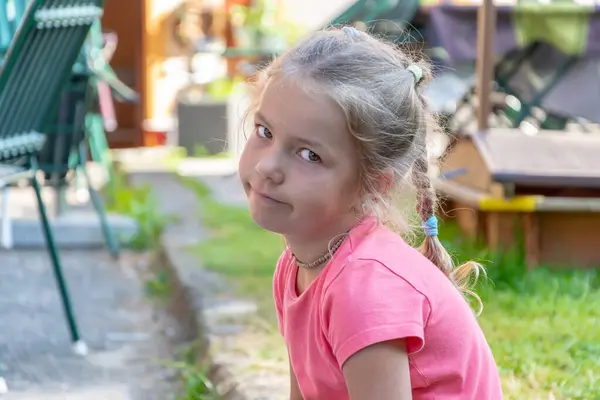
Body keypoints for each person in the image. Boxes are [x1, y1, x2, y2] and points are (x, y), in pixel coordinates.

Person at [238, 26, 503, 400]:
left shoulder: (363, 289)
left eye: (309, 155)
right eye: (264, 131)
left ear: (373, 185)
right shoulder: (296, 265)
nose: (267, 167)